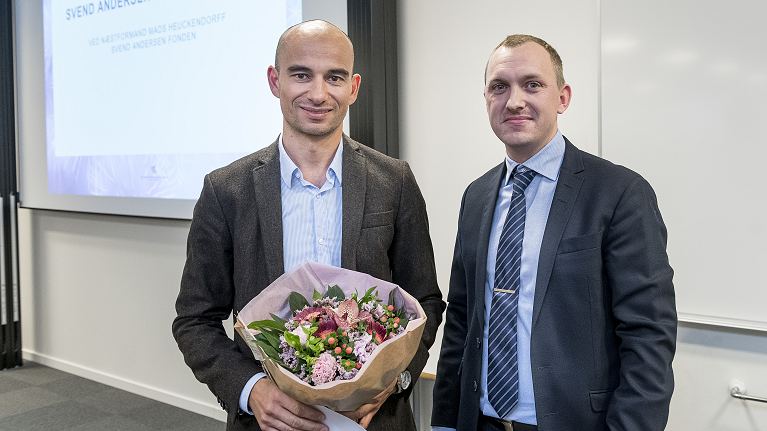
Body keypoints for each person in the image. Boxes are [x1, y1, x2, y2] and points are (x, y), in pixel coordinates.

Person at [172, 20, 445, 431]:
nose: (318, 93)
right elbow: (195, 320)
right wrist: (250, 390)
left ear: (352, 88)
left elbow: (424, 301)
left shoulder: (395, 182)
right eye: (301, 74)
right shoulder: (226, 190)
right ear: (274, 81)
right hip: (269, 423)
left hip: (376, 421)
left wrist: (394, 380)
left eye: (333, 77)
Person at [431, 35, 676, 431]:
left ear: (562, 97)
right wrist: (444, 420)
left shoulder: (618, 192)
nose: (514, 101)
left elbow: (649, 335)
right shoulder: (476, 196)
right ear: (487, 99)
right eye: (500, 87)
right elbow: (461, 319)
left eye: (532, 84)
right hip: (479, 423)